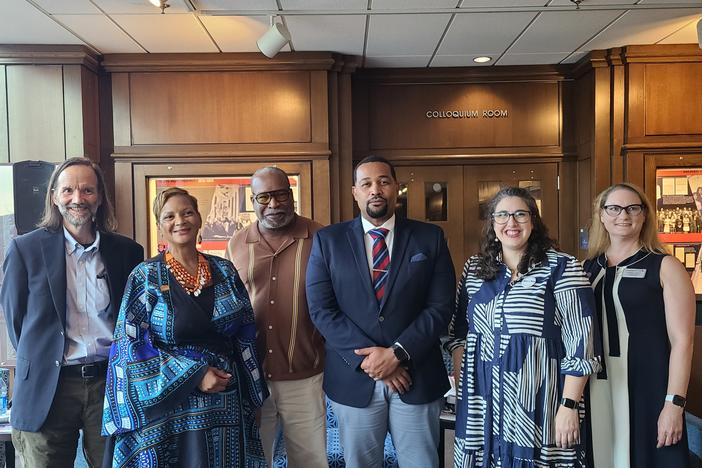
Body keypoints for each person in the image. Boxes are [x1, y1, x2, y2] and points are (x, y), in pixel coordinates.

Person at [306, 155, 455, 468]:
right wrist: (372, 361)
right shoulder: (328, 241)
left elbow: (440, 307)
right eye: (367, 183)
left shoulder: (430, 238)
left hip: (416, 378)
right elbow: (321, 309)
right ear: (355, 192)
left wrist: (397, 353)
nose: (376, 189)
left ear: (396, 188)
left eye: (384, 181)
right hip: (355, 379)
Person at [101, 187, 268, 467]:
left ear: (199, 218)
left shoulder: (225, 271)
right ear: (160, 226)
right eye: (170, 216)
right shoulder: (145, 277)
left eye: (187, 212)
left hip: (224, 401)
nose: (180, 221)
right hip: (167, 406)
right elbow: (131, 346)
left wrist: (253, 395)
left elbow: (246, 334)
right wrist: (196, 375)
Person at [0, 157, 144, 467]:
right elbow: (16, 321)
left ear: (100, 197)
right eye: (68, 191)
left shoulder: (128, 252)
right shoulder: (25, 250)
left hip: (110, 383)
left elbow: (133, 319)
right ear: (53, 196)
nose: (77, 199)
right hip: (47, 385)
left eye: (87, 190)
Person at [445, 186, 600, 468]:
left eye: (520, 214)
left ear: (534, 221)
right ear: (492, 223)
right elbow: (459, 332)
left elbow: (582, 340)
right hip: (482, 401)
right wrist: (462, 383)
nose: (511, 223)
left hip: (540, 399)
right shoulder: (475, 268)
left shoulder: (562, 267)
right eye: (502, 215)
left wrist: (568, 406)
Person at [584, 183, 695, 468]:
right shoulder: (586, 269)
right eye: (614, 208)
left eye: (633, 208)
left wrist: (674, 403)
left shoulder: (665, 266)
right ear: (602, 215)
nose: (624, 215)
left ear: (644, 215)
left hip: (649, 387)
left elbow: (683, 341)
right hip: (597, 385)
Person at [226, 167, 328, 468]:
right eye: (264, 197)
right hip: (253, 378)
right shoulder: (237, 243)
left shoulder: (320, 237)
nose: (274, 204)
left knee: (310, 461)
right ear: (253, 200)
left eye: (281, 194)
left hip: (306, 376)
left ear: (291, 195)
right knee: (256, 460)